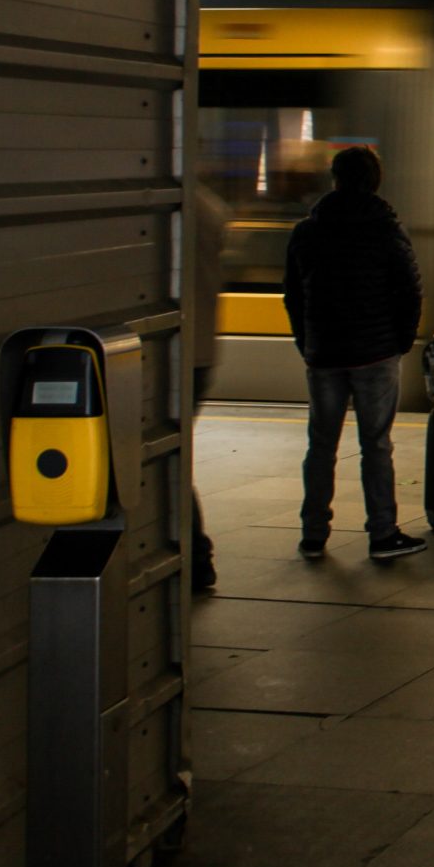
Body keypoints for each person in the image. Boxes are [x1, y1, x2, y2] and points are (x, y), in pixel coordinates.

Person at [282, 145, 428, 561]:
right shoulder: (385, 229)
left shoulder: (307, 231)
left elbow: (292, 294)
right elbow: (410, 290)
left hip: (324, 354)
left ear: (335, 178)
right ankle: (382, 534)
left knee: (321, 445)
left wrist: (306, 341)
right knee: (376, 445)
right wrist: (399, 342)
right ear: (375, 180)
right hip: (376, 354)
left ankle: (313, 534)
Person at [189, 179, 227, 592]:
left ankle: (198, 557)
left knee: (168, 462)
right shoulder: (210, 205)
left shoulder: (181, 205)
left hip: (176, 353)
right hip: (201, 350)